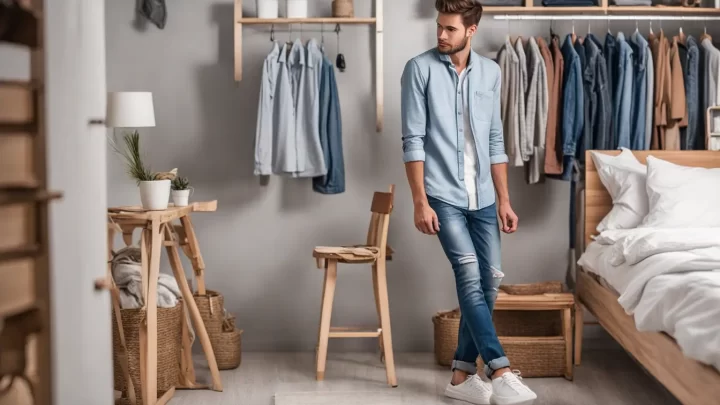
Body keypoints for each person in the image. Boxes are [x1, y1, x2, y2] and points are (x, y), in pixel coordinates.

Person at [400, 1, 538, 404]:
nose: (441, 35)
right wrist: (419, 201)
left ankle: (461, 375)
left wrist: (505, 201)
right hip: (443, 195)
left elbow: (495, 140)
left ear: (471, 30)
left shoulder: (491, 72)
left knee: (490, 282)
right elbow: (413, 141)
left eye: (450, 29)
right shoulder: (419, 69)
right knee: (468, 277)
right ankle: (501, 368)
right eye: (439, 27)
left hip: (484, 198)